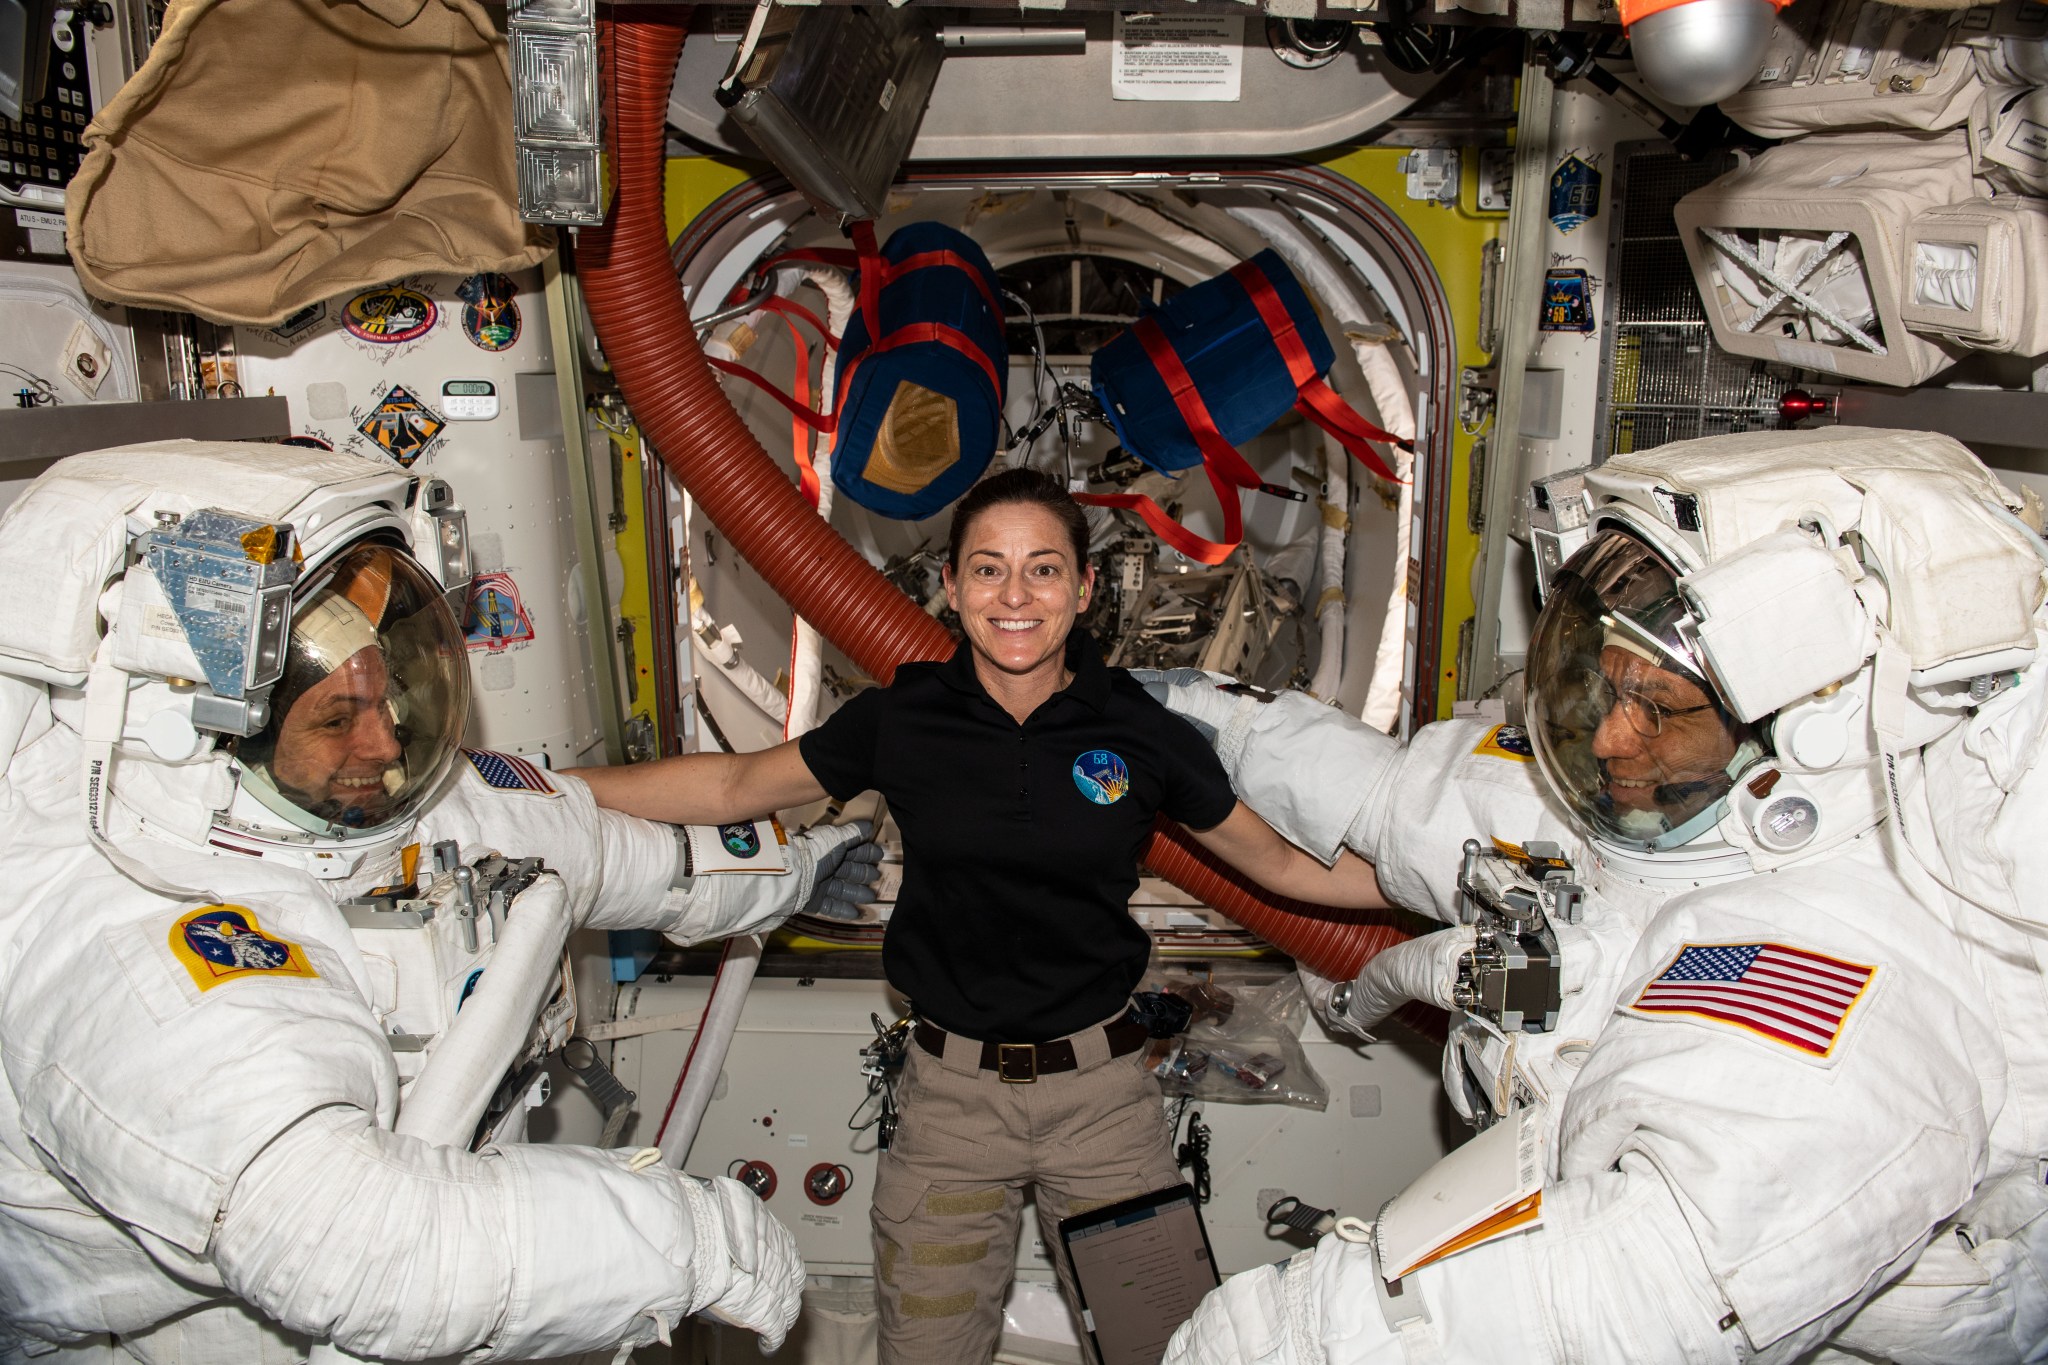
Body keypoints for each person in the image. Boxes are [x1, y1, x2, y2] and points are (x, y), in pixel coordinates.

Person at [1148, 427, 2048, 1364]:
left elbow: (1604, 1304)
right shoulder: (1652, 812)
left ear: (1798, 732)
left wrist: (1256, 1346)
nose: (1613, 739)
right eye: (1610, 687)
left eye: (1657, 709)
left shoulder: (1840, 992)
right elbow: (1381, 797)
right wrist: (1171, 706)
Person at [0, 440, 883, 1363]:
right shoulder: (129, 932)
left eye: (381, 696)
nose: (382, 743)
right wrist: (702, 1240)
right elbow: (357, 1248)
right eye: (336, 721)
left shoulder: (376, 802)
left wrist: (791, 875)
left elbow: (607, 850)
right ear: (214, 731)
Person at [572, 467, 1390, 1364]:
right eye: (988, 568)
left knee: (1167, 1349)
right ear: (953, 586)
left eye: (1043, 569)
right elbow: (736, 783)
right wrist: (555, 791)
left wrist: (1428, 883)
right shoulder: (904, 718)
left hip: (1105, 1102)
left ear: (1082, 590)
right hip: (950, 1104)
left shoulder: (1139, 731)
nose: (1015, 594)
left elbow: (1275, 862)